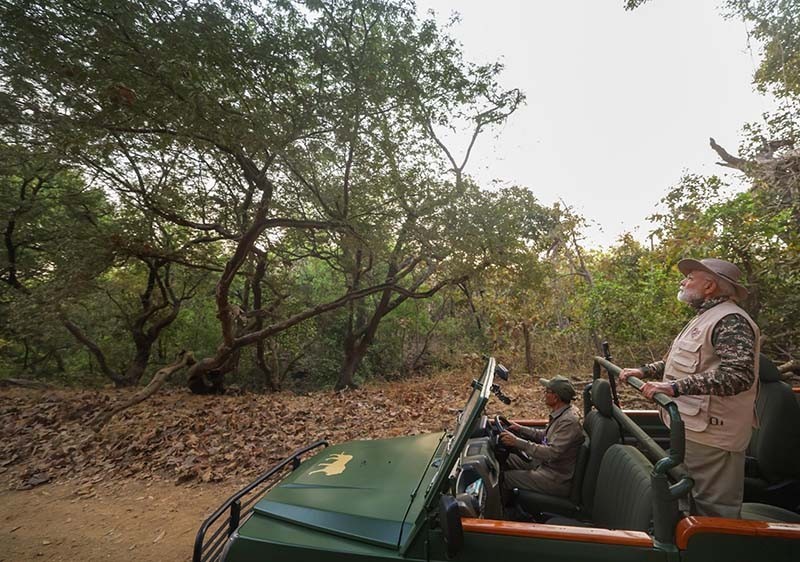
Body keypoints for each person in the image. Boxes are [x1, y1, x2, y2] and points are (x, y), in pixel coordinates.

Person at [620, 257, 759, 519]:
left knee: (713, 514)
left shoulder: (731, 320)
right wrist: (645, 371)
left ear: (709, 286)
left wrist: (674, 387)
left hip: (714, 435)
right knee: (690, 504)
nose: (683, 281)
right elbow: (683, 361)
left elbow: (738, 376)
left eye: (690, 277)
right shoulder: (706, 316)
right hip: (694, 427)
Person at [499, 375, 584, 500]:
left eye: (547, 392)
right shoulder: (562, 414)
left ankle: (501, 516)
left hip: (556, 478)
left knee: (505, 478)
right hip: (545, 465)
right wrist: (520, 429)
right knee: (506, 458)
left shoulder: (569, 421)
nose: (544, 394)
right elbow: (545, 435)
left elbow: (552, 452)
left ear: (556, 397)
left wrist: (517, 442)